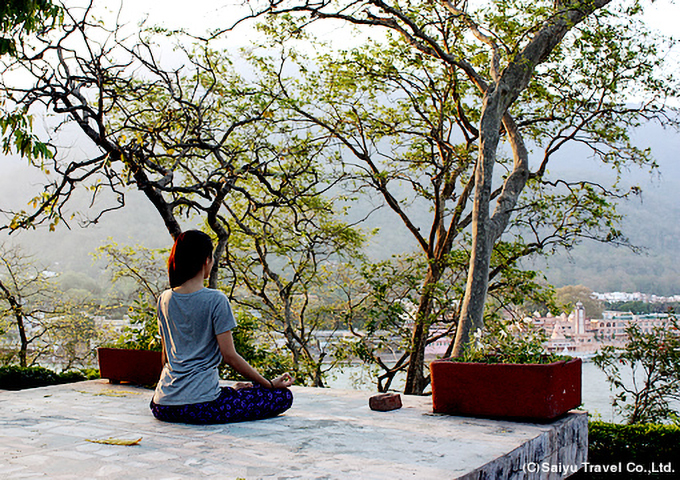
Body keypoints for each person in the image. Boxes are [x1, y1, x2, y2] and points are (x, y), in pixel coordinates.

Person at [150, 230, 294, 424]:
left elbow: (165, 357)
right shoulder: (215, 299)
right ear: (206, 260)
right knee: (283, 396)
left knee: (238, 390)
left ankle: (227, 391)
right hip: (201, 407)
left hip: (162, 405)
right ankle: (227, 393)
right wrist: (267, 384)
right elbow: (230, 356)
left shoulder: (164, 299)